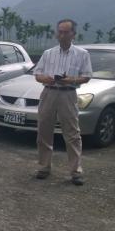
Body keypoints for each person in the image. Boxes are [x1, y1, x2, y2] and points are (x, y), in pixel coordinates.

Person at [34, 19, 92, 186]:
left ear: (73, 34)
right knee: (44, 131)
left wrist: (70, 80)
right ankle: (44, 167)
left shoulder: (82, 54)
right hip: (49, 92)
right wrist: (45, 78)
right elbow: (37, 74)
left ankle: (76, 171)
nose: (62, 35)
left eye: (66, 32)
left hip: (68, 94)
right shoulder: (48, 53)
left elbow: (86, 76)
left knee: (72, 134)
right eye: (60, 31)